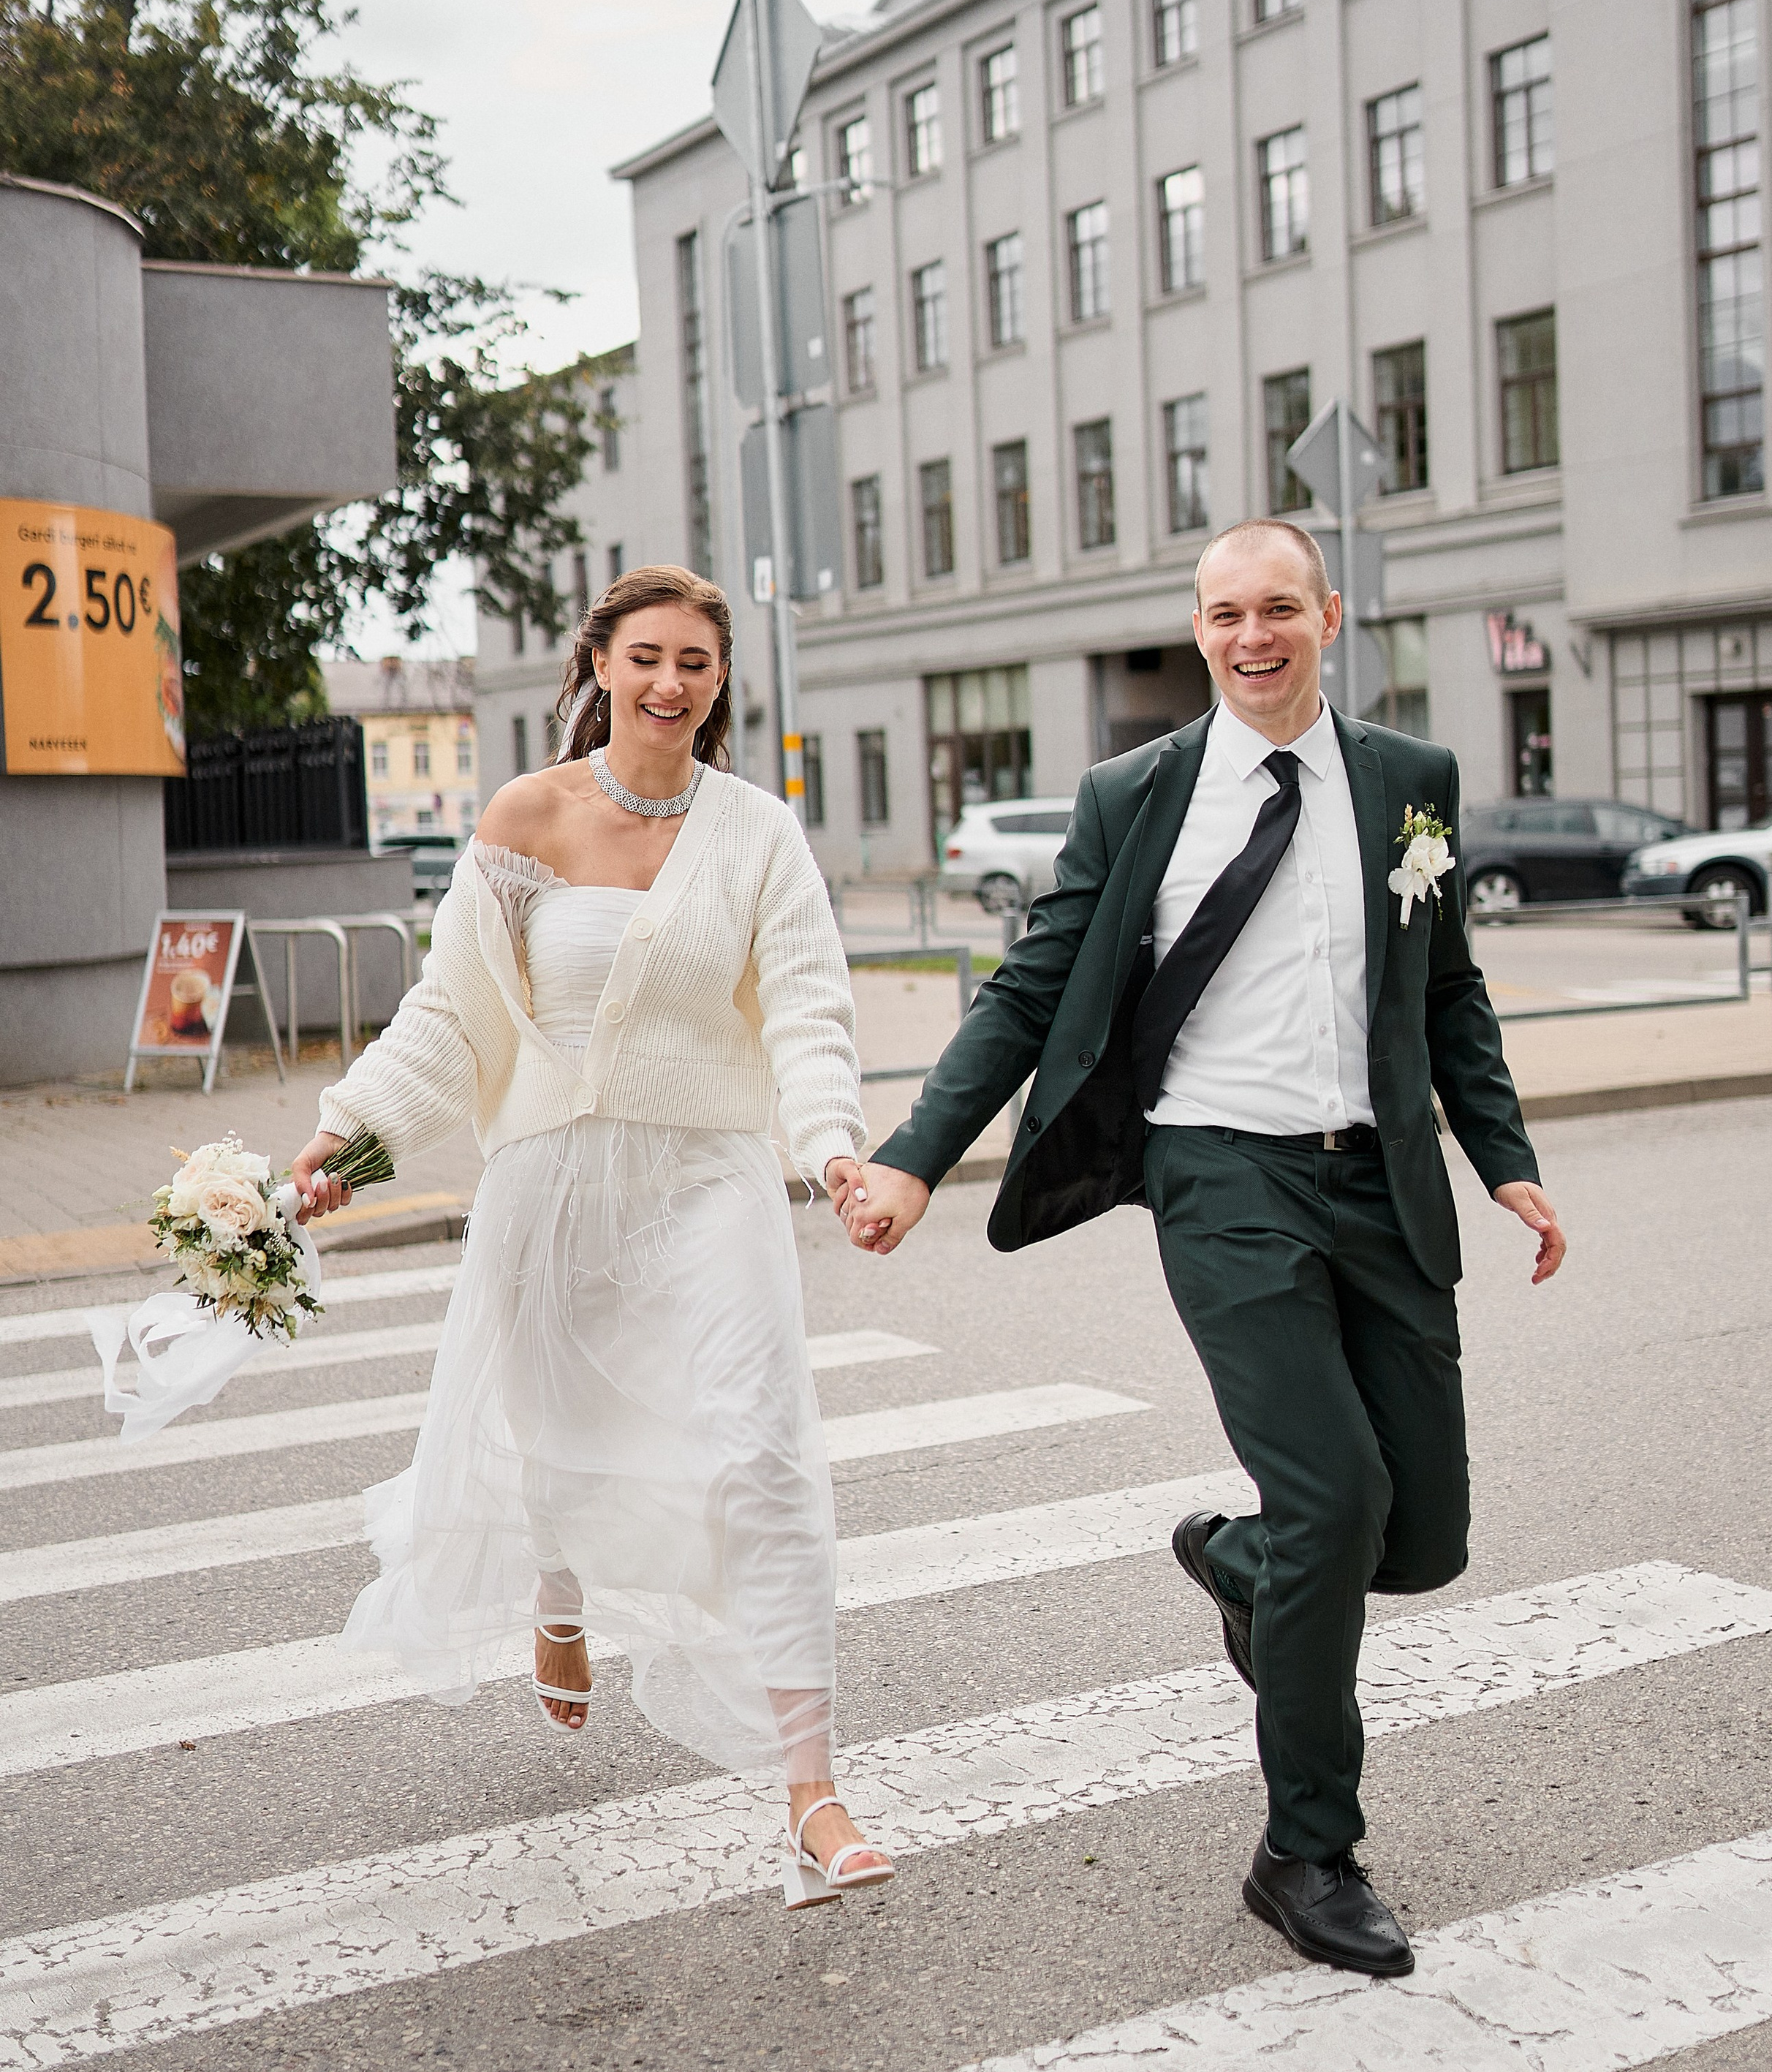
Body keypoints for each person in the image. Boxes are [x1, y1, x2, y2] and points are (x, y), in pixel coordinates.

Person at [832, 518, 1564, 1974]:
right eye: (1224, 613)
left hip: (1384, 1182)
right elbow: (1028, 991)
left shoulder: (1408, 783)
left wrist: (1507, 1161)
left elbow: (1448, 983)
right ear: (1198, 624)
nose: (1251, 636)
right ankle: (1306, 1849)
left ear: (1326, 615)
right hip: (1223, 1182)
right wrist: (915, 1158)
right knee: (1335, 1496)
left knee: (1416, 1538)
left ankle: (1240, 1568)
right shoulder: (1136, 797)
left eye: (1276, 608)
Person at [292, 564, 890, 1906]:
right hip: (551, 1185)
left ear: (721, 680)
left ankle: (814, 1790)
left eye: (695, 660)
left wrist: (835, 1148)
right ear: (599, 668)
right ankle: (557, 1594)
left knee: (764, 1449)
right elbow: (452, 1017)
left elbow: (807, 1009)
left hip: (708, 1181)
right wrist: (352, 1135)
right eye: (646, 658)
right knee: (559, 1433)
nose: (670, 682)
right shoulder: (523, 817)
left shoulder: (756, 835)